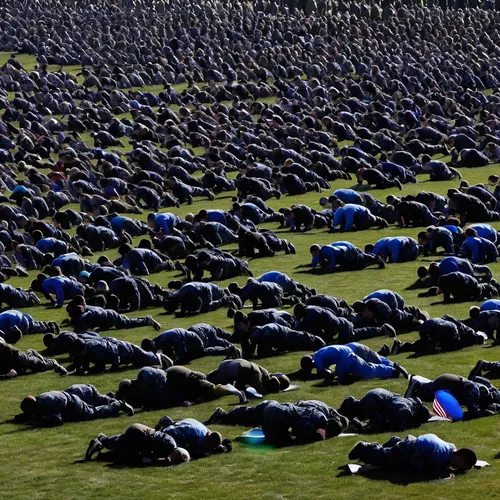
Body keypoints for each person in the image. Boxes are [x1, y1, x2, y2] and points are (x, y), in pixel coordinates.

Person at [205, 400, 349, 447]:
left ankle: (223, 415)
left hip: (275, 406)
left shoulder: (318, 415)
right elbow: (300, 436)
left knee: (249, 414)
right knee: (281, 443)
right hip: (275, 416)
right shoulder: (319, 418)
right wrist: (314, 436)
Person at [348, 434, 477, 474]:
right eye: (461, 466)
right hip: (410, 448)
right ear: (460, 458)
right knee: (385, 460)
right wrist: (447, 472)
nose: (457, 468)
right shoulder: (443, 456)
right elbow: (429, 469)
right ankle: (365, 447)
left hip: (414, 442)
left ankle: (395, 441)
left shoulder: (451, 448)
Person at [14, 384, 134, 427]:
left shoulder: (47, 404)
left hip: (74, 405)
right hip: (69, 401)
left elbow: (57, 420)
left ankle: (118, 405)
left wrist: (39, 422)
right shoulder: (40, 400)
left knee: (93, 413)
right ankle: (108, 398)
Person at [405, 373, 500, 419]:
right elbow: (473, 412)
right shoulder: (475, 391)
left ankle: (418, 389)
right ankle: (417, 384)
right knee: (427, 392)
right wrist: (488, 412)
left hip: (451, 384)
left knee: (426, 398)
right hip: (447, 382)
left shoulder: (482, 389)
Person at [300, 344, 405, 383]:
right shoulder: (320, 352)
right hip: (346, 353)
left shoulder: (317, 359)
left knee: (368, 371)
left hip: (346, 357)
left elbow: (323, 374)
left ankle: (393, 371)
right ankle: (391, 366)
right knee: (368, 367)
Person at [338, 388, 430, 432]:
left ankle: (351, 405)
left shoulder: (410, 403)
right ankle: (350, 414)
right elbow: (399, 427)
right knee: (375, 427)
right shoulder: (405, 411)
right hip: (376, 401)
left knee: (362, 408)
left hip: (381, 394)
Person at [391, 317, 486, 355]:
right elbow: (432, 344)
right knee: (428, 346)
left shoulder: (431, 328)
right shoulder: (432, 327)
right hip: (444, 329)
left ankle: (402, 346)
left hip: (442, 329)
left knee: (426, 344)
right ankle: (403, 346)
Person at [141, 328, 239, 364]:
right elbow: (168, 352)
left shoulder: (163, 340)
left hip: (193, 339)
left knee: (202, 352)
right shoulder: (159, 341)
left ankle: (226, 350)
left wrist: (180, 360)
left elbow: (179, 347)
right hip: (186, 339)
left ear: (152, 346)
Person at [207, 359, 290, 395]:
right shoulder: (257, 375)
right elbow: (260, 390)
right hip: (232, 370)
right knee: (219, 390)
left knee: (239, 386)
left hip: (229, 364)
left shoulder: (259, 371)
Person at [0, 340, 67, 378]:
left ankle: (52, 362)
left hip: (17, 358)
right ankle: (30, 353)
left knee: (41, 366)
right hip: (8, 358)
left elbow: (12, 373)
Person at [309, 244, 384, 273]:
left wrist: (329, 269)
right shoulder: (320, 252)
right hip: (345, 254)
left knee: (358, 264)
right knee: (347, 267)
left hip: (349, 253)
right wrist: (314, 268)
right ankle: (373, 257)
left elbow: (333, 259)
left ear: (317, 250)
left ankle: (376, 259)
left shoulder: (326, 250)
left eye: (315, 253)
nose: (315, 255)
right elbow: (316, 260)